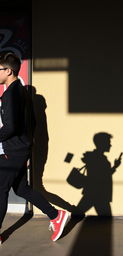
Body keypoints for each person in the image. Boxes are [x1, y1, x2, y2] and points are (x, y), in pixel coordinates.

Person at [0, 51, 68, 243]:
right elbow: (33, 123)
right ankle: (56, 216)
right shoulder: (22, 92)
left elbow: (11, 127)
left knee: (1, 189)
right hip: (21, 148)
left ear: (9, 71)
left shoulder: (11, 95)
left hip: (13, 151)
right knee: (21, 189)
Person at [76, 132, 122, 216]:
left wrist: (114, 167)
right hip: (99, 194)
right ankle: (63, 228)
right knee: (106, 221)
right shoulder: (98, 159)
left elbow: (103, 175)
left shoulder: (93, 157)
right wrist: (114, 167)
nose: (110, 145)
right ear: (102, 143)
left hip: (92, 192)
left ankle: (63, 228)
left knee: (76, 215)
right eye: (108, 142)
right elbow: (103, 176)